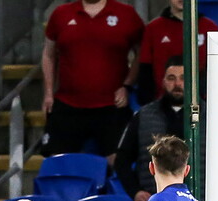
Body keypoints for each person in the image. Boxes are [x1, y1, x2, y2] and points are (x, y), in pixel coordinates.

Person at [41, 0, 144, 162]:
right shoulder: (61, 14)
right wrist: (48, 93)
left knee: (118, 163)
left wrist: (127, 84)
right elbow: (48, 54)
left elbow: (142, 53)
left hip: (112, 106)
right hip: (68, 105)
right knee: (58, 165)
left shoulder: (126, 14)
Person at [115, 55, 186, 201]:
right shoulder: (143, 116)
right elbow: (121, 161)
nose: (177, 84)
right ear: (163, 81)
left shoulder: (210, 115)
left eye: (183, 78)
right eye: (171, 78)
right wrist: (135, 192)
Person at [138, 0, 218, 103]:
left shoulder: (209, 27)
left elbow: (217, 67)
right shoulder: (153, 28)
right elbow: (145, 69)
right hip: (162, 104)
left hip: (200, 104)